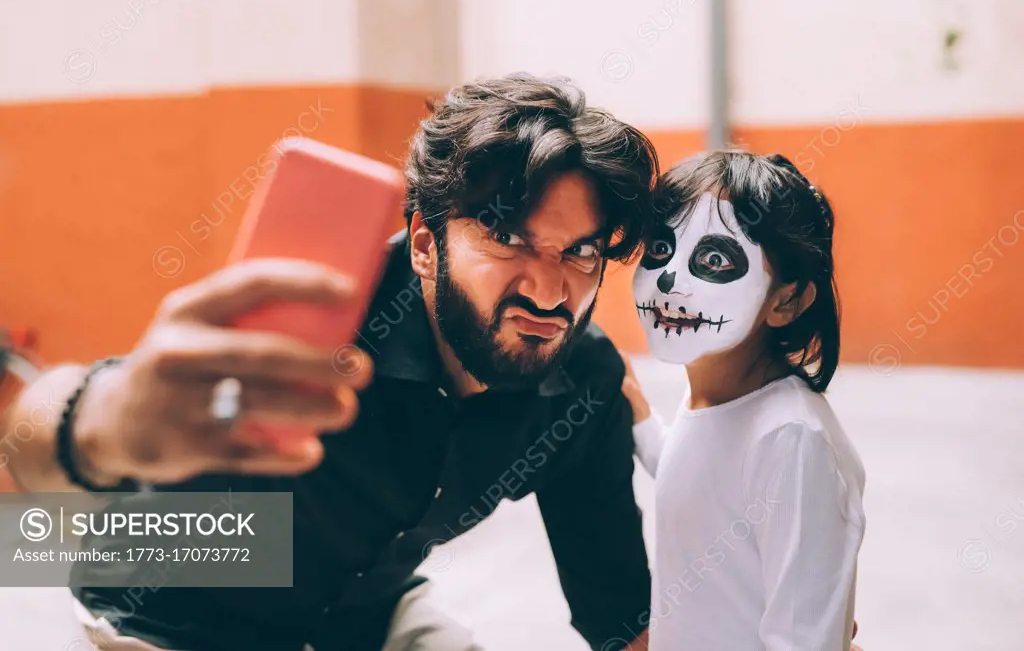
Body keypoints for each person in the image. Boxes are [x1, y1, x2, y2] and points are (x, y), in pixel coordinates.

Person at [1, 74, 660, 651]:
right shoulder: (326, 316)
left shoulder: (581, 381)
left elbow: (619, 615)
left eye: (580, 254)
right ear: (426, 244)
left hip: (366, 618)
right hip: (174, 614)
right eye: (507, 237)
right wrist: (103, 417)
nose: (550, 292)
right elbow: (28, 441)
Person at [620, 150, 866, 650]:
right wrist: (640, 418)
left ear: (787, 301)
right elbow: (707, 483)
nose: (670, 279)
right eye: (661, 247)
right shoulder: (711, 389)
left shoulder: (793, 440)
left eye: (713, 260)